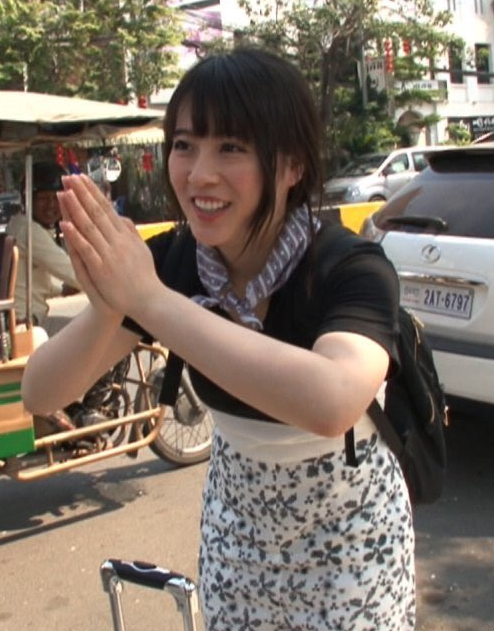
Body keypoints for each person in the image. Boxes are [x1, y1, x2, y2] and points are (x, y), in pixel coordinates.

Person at [21, 48, 415, 630]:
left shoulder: (349, 267)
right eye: (185, 144)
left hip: (351, 543)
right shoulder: (174, 263)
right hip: (237, 536)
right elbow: (40, 393)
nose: (199, 173)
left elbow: (331, 401)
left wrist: (150, 300)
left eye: (231, 147)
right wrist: (109, 304)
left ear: (293, 165)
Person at [7, 161, 80, 328]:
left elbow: (32, 283)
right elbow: (72, 272)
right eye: (43, 198)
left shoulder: (22, 225)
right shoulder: (28, 230)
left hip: (29, 320)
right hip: (25, 325)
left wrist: (62, 290)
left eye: (56, 198)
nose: (51, 205)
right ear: (28, 200)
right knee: (98, 336)